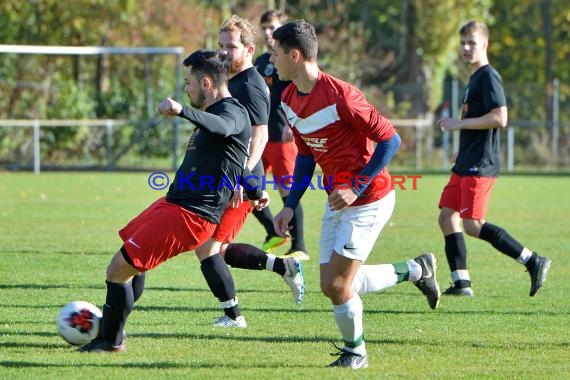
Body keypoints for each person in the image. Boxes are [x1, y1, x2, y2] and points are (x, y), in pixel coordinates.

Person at [270, 20, 441, 369]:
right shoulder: (288, 98)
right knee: (331, 285)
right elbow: (305, 154)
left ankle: (356, 353)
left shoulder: (342, 96)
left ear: (295, 55)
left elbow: (390, 140)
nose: (271, 59)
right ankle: (414, 269)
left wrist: (356, 186)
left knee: (337, 283)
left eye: (274, 53)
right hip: (338, 198)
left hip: (370, 199)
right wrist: (289, 205)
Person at [78, 49, 267, 352]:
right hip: (174, 204)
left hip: (191, 215)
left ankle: (110, 342)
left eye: (188, 82)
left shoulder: (231, 112)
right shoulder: (217, 113)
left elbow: (223, 129)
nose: (186, 88)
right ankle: (112, 332)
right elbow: (235, 160)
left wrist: (182, 110)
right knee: (130, 262)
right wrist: (257, 191)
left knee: (118, 269)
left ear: (206, 83)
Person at [194, 15, 305, 328]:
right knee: (218, 248)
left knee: (208, 248)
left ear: (249, 49)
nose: (225, 52)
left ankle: (234, 316)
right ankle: (284, 268)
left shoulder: (252, 84)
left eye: (231, 46)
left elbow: (260, 134)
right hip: (226, 177)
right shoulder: (228, 80)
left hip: (240, 181)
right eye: (221, 46)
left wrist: (242, 176)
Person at [436, 21, 551, 297]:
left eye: (471, 43)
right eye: (463, 42)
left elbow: (501, 117)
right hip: (466, 161)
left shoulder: (488, 76)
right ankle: (461, 282)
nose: (466, 48)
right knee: (446, 217)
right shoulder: (474, 78)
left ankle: (533, 260)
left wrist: (459, 125)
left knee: (473, 225)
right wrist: (461, 150)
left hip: (481, 165)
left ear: (484, 45)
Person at [253, 10, 308, 260]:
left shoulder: (290, 61)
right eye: (264, 27)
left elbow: (300, 91)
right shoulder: (262, 60)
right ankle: (272, 232)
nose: (267, 31)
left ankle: (300, 246)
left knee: (287, 190)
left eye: (271, 26)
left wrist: (290, 122)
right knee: (247, 185)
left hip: (281, 134)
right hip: (260, 135)